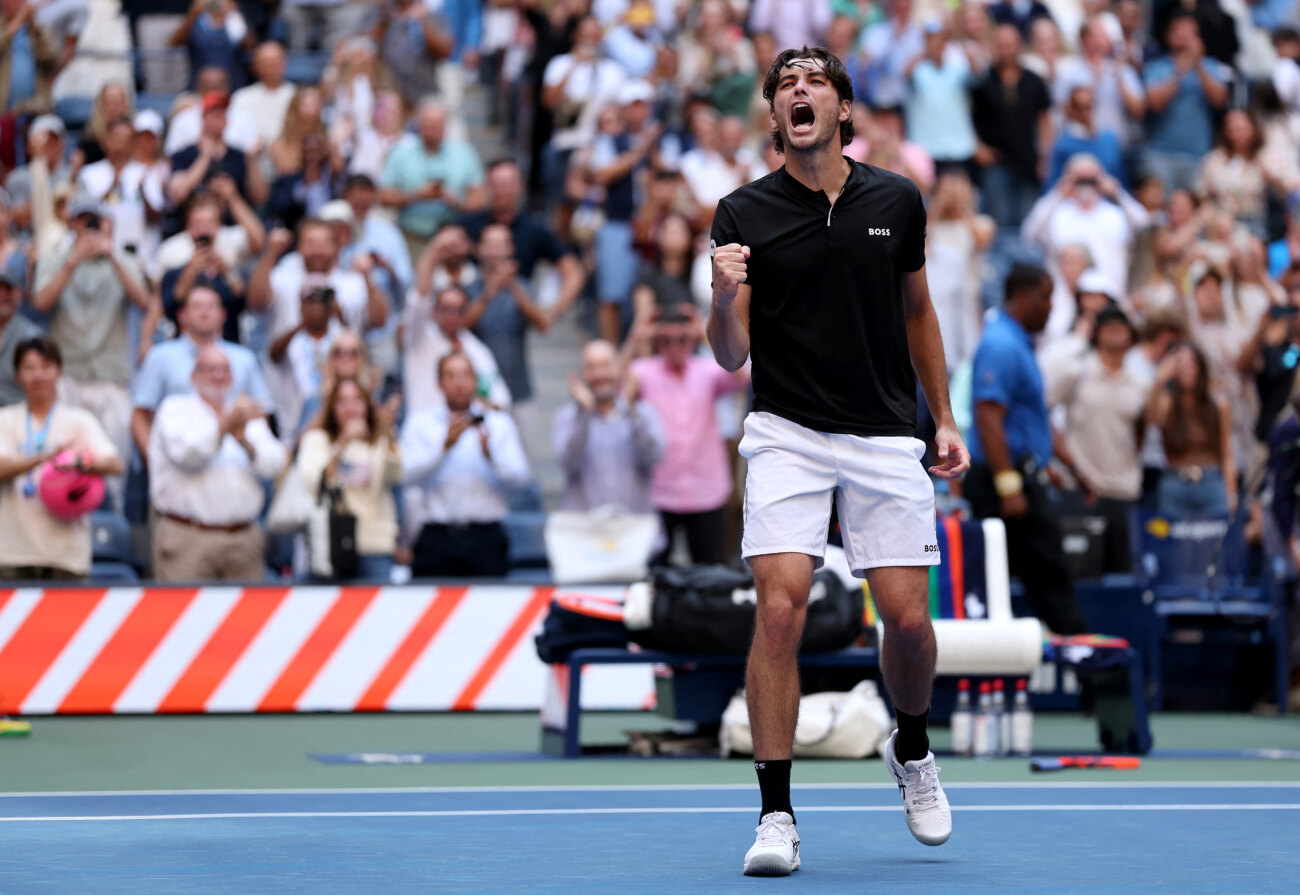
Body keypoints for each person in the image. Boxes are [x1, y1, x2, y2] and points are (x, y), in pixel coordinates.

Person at [707, 46, 970, 875]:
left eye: (814, 81)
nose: (799, 91)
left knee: (909, 623)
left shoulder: (897, 198)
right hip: (786, 429)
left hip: (885, 432)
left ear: (843, 110)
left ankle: (914, 746)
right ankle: (776, 812)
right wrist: (719, 295)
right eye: (785, 85)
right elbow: (729, 353)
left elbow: (919, 311)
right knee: (778, 611)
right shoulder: (741, 212)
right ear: (776, 116)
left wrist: (945, 417)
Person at [965, 264, 1090, 637]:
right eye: (1046, 297)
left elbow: (1035, 419)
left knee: (1037, 578)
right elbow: (988, 416)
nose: (1051, 307)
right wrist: (1009, 485)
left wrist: (1073, 468)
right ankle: (1088, 672)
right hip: (1005, 484)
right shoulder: (1002, 345)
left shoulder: (1017, 342)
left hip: (1020, 476)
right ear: (1021, 298)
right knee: (1048, 578)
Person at [31, 200, 150, 509]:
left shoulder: (124, 260)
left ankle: (113, 537)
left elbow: (144, 301)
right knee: (63, 465)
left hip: (111, 378)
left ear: (107, 224)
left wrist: (111, 254)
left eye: (95, 221)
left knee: (112, 472)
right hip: (67, 376)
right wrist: (73, 261)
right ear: (72, 224)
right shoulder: (54, 259)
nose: (90, 228)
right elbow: (41, 303)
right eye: (83, 221)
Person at [149, 343, 286, 581]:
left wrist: (246, 443)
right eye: (210, 369)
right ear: (194, 375)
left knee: (247, 618)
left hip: (243, 539)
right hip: (188, 538)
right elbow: (188, 456)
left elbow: (275, 464)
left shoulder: (245, 414)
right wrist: (225, 426)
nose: (218, 376)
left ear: (233, 376)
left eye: (225, 370)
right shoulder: (174, 410)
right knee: (183, 617)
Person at [0, 338, 123, 579]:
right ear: (17, 376)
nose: (39, 375)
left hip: (67, 554)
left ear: (59, 372)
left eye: (46, 366)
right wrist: (46, 457)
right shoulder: (5, 419)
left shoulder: (79, 420)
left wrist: (81, 463)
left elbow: (114, 464)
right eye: (29, 368)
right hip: (13, 552)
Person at [401, 352, 531, 577]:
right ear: (439, 383)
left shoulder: (498, 424)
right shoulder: (420, 424)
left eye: (465, 375)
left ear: (475, 381)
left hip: (485, 537)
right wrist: (442, 449)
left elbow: (521, 480)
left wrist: (491, 456)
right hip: (437, 537)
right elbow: (403, 477)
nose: (459, 383)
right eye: (451, 376)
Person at [1051, 305, 1149, 573]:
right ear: (1097, 334)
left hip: (1124, 488)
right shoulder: (1076, 373)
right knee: (1080, 573)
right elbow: (1042, 413)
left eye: (1122, 326)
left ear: (1131, 335)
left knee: (1123, 575)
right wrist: (1062, 463)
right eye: (1109, 326)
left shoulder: (1140, 383)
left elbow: (1143, 427)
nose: (1116, 332)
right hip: (1082, 488)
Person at [132, 285, 270, 457]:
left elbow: (261, 413)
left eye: (211, 306)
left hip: (233, 466)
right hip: (177, 460)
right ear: (182, 316)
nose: (204, 312)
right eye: (197, 306)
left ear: (223, 315)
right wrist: (154, 462)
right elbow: (140, 415)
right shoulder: (160, 356)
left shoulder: (244, 358)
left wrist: (255, 453)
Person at [296, 377, 403, 581]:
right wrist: (342, 442)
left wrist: (388, 432)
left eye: (357, 400)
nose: (350, 407)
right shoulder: (317, 440)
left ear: (368, 405)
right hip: (330, 548)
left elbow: (396, 475)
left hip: (373, 547)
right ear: (331, 407)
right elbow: (316, 484)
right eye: (342, 401)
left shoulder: (380, 440)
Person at [554, 339, 664, 513]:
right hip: (584, 527)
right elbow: (569, 463)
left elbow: (653, 458)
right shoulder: (568, 417)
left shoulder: (643, 412)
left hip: (635, 525)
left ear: (619, 369)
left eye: (605, 366)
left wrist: (630, 410)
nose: (599, 375)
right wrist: (586, 414)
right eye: (591, 368)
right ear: (582, 374)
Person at [379, 99, 486, 254]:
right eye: (428, 125)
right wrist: (416, 196)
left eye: (437, 125)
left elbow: (479, 200)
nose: (432, 130)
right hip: (412, 238)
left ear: (445, 126)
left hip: (452, 239)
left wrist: (454, 201)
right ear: (419, 125)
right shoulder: (400, 153)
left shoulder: (464, 153)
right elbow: (383, 197)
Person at [971, 24, 1052, 227]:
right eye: (1001, 45)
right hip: (996, 164)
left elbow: (1044, 121)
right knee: (1000, 220)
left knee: (1028, 221)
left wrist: (1045, 156)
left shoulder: (1033, 80)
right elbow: (968, 117)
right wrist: (978, 146)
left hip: (1027, 163)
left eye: (1010, 45)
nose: (1006, 50)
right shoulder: (982, 81)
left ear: (1019, 46)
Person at [1142, 12, 1230, 192]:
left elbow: (1220, 100)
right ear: (1168, 36)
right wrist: (1180, 71)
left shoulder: (1211, 65)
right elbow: (1154, 103)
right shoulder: (1157, 67)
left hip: (1199, 155)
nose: (1183, 36)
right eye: (1178, 31)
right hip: (1161, 154)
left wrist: (1198, 65)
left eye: (1189, 32)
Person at [1147, 341, 1236, 516]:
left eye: (1192, 364)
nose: (1187, 370)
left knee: (1216, 540)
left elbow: (1226, 454)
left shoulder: (1218, 405)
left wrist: (1231, 493)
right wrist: (1159, 380)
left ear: (1200, 368)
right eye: (1180, 364)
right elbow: (1152, 418)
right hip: (1175, 481)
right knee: (1175, 542)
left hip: (1211, 481)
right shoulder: (1168, 403)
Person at [466, 224, 550, 407]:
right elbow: (463, 326)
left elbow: (543, 324)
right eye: (490, 245)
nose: (496, 252)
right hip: (479, 387)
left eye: (501, 245)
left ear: (511, 249)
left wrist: (513, 287)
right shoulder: (469, 289)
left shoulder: (523, 287)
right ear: (479, 249)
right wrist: (489, 292)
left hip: (519, 388)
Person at [402, 284, 510, 414]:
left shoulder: (477, 350)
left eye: (459, 310)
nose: (452, 316)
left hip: (467, 428)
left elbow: (500, 398)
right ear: (434, 311)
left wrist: (477, 403)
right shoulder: (418, 338)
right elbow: (418, 303)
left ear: (467, 313)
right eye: (446, 309)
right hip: (426, 429)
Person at [229, 41, 296, 149]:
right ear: (255, 66)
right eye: (266, 63)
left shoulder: (296, 95)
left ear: (285, 63)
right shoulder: (241, 98)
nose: (271, 68)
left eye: (275, 63)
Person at [0, 270, 43, 406]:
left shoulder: (32, 337)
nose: (2, 295)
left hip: (17, 417)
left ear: (20, 294)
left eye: (8, 289)